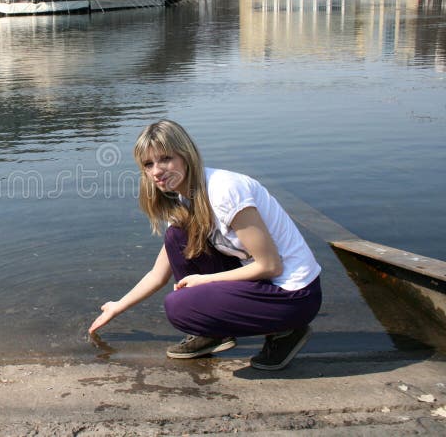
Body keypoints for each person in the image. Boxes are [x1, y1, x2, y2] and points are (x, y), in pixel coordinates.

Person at [88, 120, 322, 370]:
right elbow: (158, 274)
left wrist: (205, 281)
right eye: (148, 164)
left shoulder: (225, 191)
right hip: (265, 286)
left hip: (295, 296)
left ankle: (286, 333)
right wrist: (117, 306)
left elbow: (271, 265)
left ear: (186, 155)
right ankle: (212, 333)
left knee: (179, 306)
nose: (156, 171)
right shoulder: (183, 199)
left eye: (165, 159)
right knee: (176, 238)